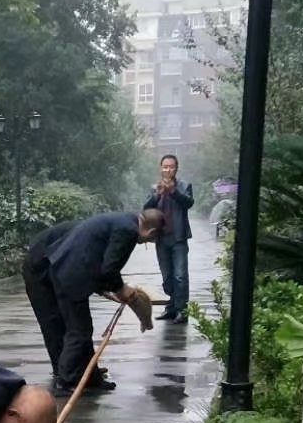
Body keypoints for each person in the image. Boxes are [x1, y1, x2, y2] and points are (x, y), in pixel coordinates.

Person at [37, 208, 165, 397]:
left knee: (82, 330)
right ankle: (64, 383)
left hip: (65, 268)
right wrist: (121, 288)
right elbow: (109, 269)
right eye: (149, 240)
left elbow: (98, 259)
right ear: (151, 232)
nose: (144, 243)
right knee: (78, 332)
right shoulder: (129, 231)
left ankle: (90, 379)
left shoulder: (125, 219)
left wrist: (111, 289)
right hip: (70, 274)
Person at [22, 220, 113, 394]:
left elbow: (93, 269)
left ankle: (88, 375)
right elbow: (86, 268)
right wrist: (109, 288)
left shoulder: (98, 235)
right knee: (56, 324)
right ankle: (64, 377)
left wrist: (106, 288)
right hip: (38, 268)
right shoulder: (97, 237)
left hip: (57, 267)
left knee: (80, 326)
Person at [143, 154, 195, 323]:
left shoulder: (184, 186)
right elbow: (146, 209)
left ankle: (182, 310)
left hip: (179, 238)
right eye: (165, 167)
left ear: (176, 169)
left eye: (171, 167)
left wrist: (173, 191)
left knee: (180, 276)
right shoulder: (154, 187)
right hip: (161, 238)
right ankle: (171, 307)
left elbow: (188, 203)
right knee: (167, 277)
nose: (168, 170)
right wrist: (157, 195)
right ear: (161, 169)